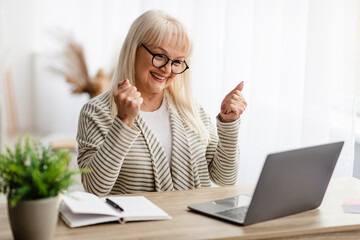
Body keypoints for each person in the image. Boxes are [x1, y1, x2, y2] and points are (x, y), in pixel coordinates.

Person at [76, 10, 247, 196]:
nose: (167, 69)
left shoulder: (190, 109)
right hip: (137, 225)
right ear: (133, 50)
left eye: (177, 62)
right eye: (159, 56)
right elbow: (94, 189)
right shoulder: (95, 112)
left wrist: (228, 123)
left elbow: (225, 178)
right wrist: (123, 122)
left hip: (193, 224)